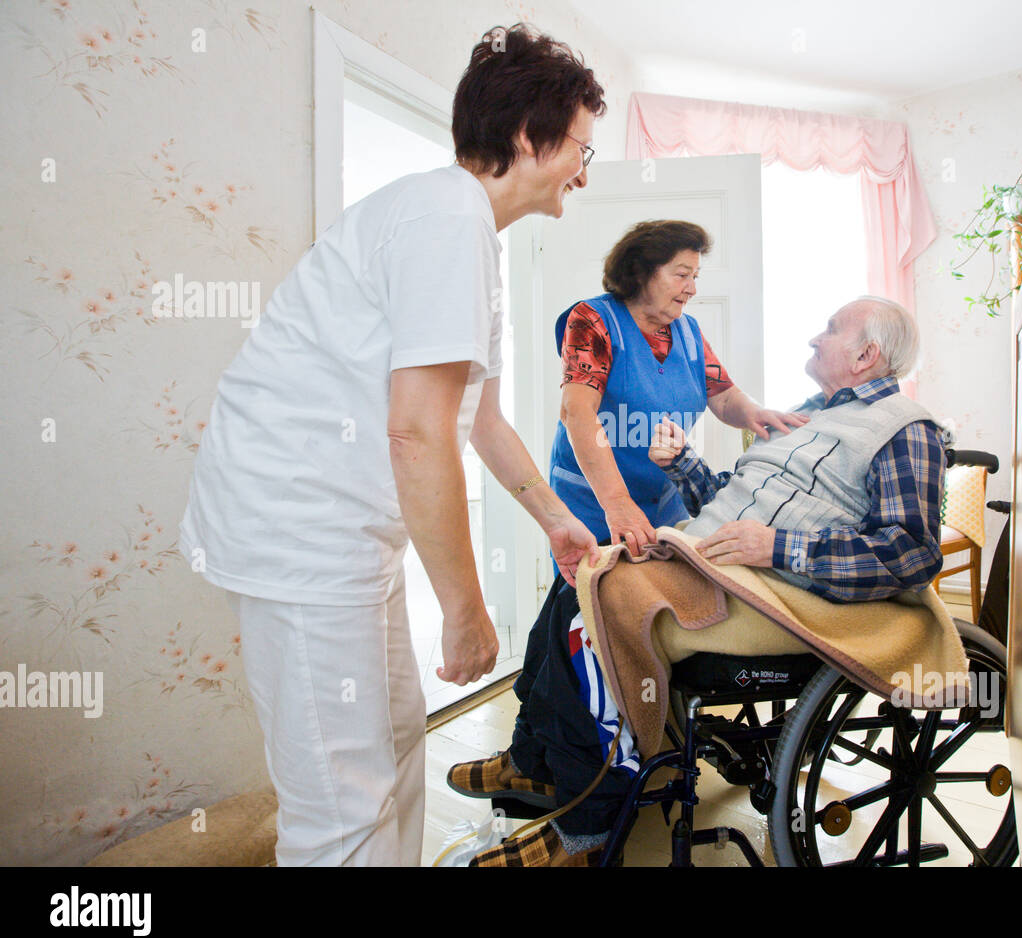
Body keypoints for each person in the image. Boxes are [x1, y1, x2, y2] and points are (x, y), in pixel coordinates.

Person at [178, 24, 604, 867]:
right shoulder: (443, 221)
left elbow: (475, 418)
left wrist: (554, 520)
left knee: (395, 741)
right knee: (341, 801)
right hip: (296, 529)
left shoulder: (463, 230)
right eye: (580, 149)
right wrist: (465, 609)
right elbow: (414, 430)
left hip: (340, 533)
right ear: (528, 137)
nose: (584, 172)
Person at [452, 295, 950, 866]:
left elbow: (913, 553)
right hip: (711, 558)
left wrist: (781, 547)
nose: (815, 338)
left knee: (597, 601)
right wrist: (683, 464)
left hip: (774, 591)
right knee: (576, 582)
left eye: (830, 330)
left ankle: (587, 830)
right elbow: (733, 505)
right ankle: (535, 762)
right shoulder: (809, 416)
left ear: (865, 355)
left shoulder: (906, 430)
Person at [549, 220, 806, 558]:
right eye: (682, 275)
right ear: (640, 272)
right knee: (593, 604)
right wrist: (617, 503)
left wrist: (757, 414)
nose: (692, 289)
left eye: (695, 277)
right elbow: (576, 411)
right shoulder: (595, 320)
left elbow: (725, 396)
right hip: (595, 505)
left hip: (665, 504)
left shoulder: (687, 330)